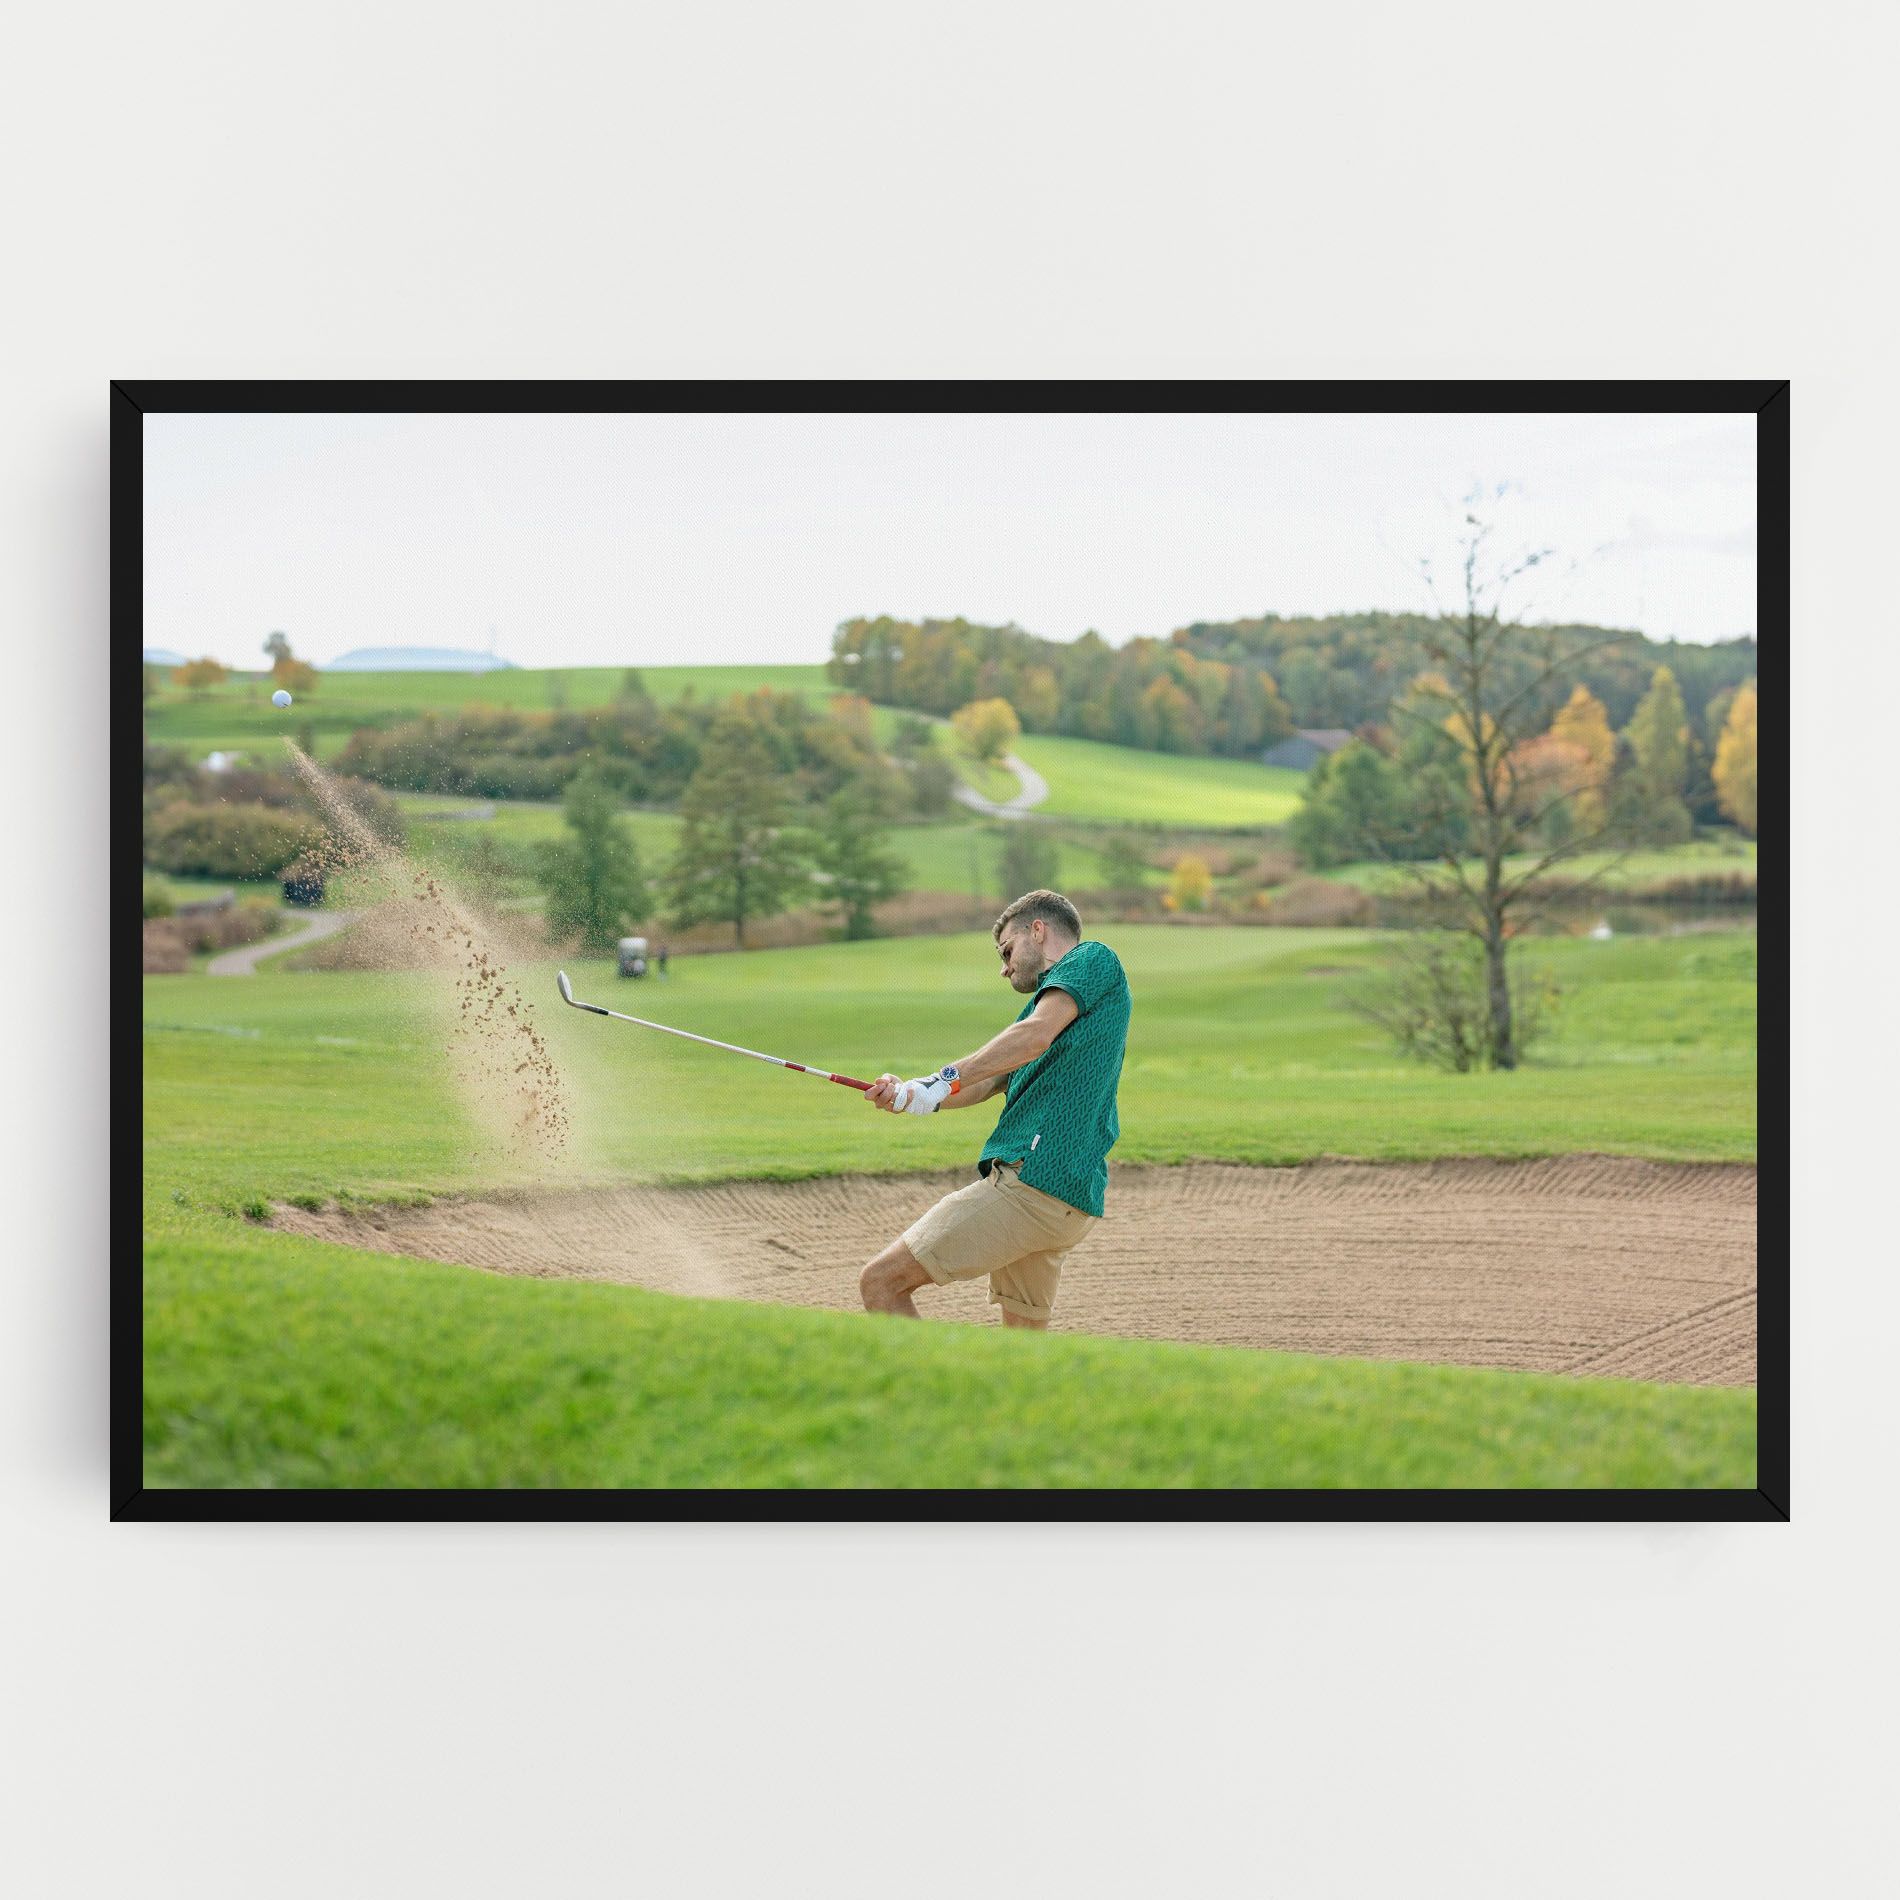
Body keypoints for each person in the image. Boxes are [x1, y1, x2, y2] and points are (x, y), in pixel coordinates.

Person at [859, 889, 1130, 1329]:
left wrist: (940, 1080)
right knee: (1020, 1348)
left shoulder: (1091, 959)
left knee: (880, 1284)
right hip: (1066, 1197)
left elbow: (1034, 1035)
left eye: (1007, 950)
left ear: (1038, 931)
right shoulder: (1046, 1009)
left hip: (1031, 1183)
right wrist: (911, 1093)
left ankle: (935, 1399)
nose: (1004, 968)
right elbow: (985, 1081)